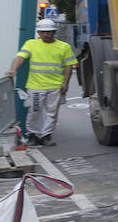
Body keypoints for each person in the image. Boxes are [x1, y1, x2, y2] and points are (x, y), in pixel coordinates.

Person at [7, 18, 77, 146]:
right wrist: (13, 70)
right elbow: (20, 57)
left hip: (55, 86)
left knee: (52, 112)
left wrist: (65, 83)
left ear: (54, 32)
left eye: (48, 32)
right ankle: (33, 135)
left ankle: (46, 135)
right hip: (36, 86)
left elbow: (69, 66)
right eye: (42, 32)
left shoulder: (64, 47)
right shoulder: (31, 44)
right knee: (34, 110)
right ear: (38, 32)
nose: (45, 34)